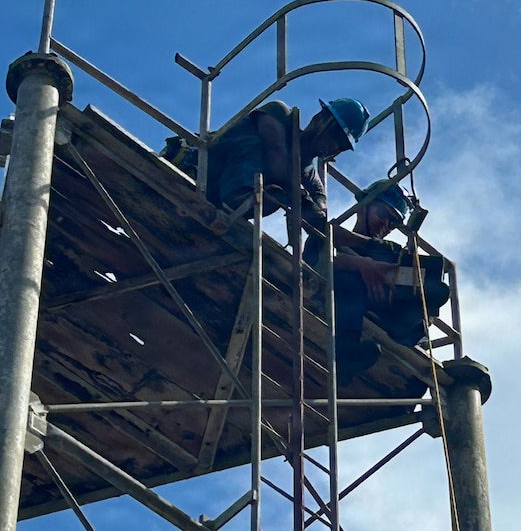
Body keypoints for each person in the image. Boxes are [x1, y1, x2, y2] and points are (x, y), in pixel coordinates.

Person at [304, 179, 450, 385]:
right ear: (363, 207)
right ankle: (347, 354)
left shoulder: (389, 252)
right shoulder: (325, 238)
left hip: (384, 315)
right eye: (382, 214)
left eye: (393, 222)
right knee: (349, 280)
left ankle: (413, 347)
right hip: (341, 304)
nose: (385, 225)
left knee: (431, 288)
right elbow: (311, 267)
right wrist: (361, 265)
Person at [160, 98, 370, 223]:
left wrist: (316, 210)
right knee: (255, 145)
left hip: (214, 200)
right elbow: (277, 158)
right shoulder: (280, 113)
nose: (335, 147)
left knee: (277, 194)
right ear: (320, 119)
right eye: (335, 136)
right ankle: (239, 198)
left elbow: (320, 206)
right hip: (194, 167)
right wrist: (301, 199)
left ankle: (241, 204)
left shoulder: (307, 173)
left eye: (342, 145)